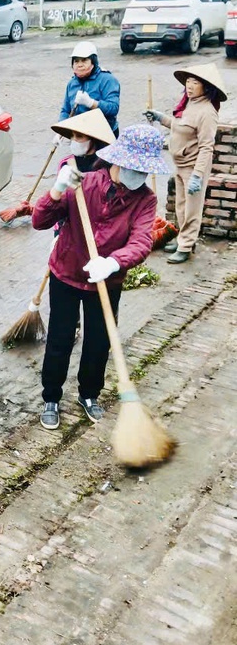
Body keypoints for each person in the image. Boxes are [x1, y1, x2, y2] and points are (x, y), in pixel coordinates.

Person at [32, 125, 171, 431]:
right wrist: (56, 191)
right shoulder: (85, 183)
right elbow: (39, 221)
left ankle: (88, 394)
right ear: (118, 161)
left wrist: (112, 262)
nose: (139, 176)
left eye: (144, 171)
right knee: (60, 338)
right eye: (134, 168)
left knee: (98, 341)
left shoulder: (144, 200)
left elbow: (141, 242)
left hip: (106, 281)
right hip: (67, 272)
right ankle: (51, 398)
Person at [144, 62, 227, 265]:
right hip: (180, 164)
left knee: (192, 209)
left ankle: (186, 245)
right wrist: (161, 117)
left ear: (206, 86)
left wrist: (198, 176)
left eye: (195, 82)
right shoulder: (190, 103)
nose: (189, 86)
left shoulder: (207, 111)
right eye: (188, 81)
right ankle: (183, 239)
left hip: (193, 167)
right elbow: (179, 126)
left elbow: (207, 147)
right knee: (181, 206)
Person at [56, 41, 121, 140]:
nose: (79, 65)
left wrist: (91, 103)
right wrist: (60, 131)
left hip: (104, 135)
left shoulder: (107, 80)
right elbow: (66, 110)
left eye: (84, 60)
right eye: (76, 61)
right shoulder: (72, 83)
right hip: (81, 136)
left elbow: (113, 108)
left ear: (93, 62)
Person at [51, 107, 116, 175]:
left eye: (79, 136)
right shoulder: (66, 164)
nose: (74, 140)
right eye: (72, 136)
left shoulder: (106, 166)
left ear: (93, 139)